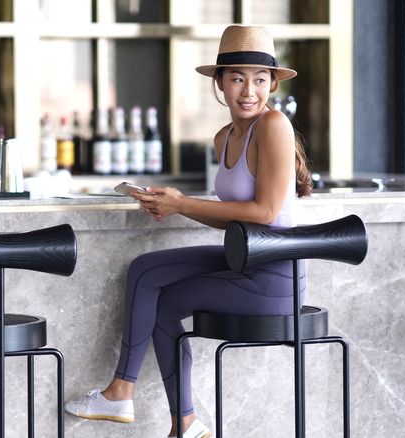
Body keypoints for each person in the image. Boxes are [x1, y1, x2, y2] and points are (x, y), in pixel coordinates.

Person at [63, 25, 313, 438]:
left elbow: (266, 212)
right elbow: (234, 218)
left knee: (160, 306)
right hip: (243, 257)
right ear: (219, 83)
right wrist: (171, 206)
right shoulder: (223, 138)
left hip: (275, 275)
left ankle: (163, 412)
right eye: (236, 78)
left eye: (260, 79)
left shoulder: (274, 125)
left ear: (271, 83)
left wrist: (183, 204)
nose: (248, 90)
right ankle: (152, 407)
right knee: (145, 270)